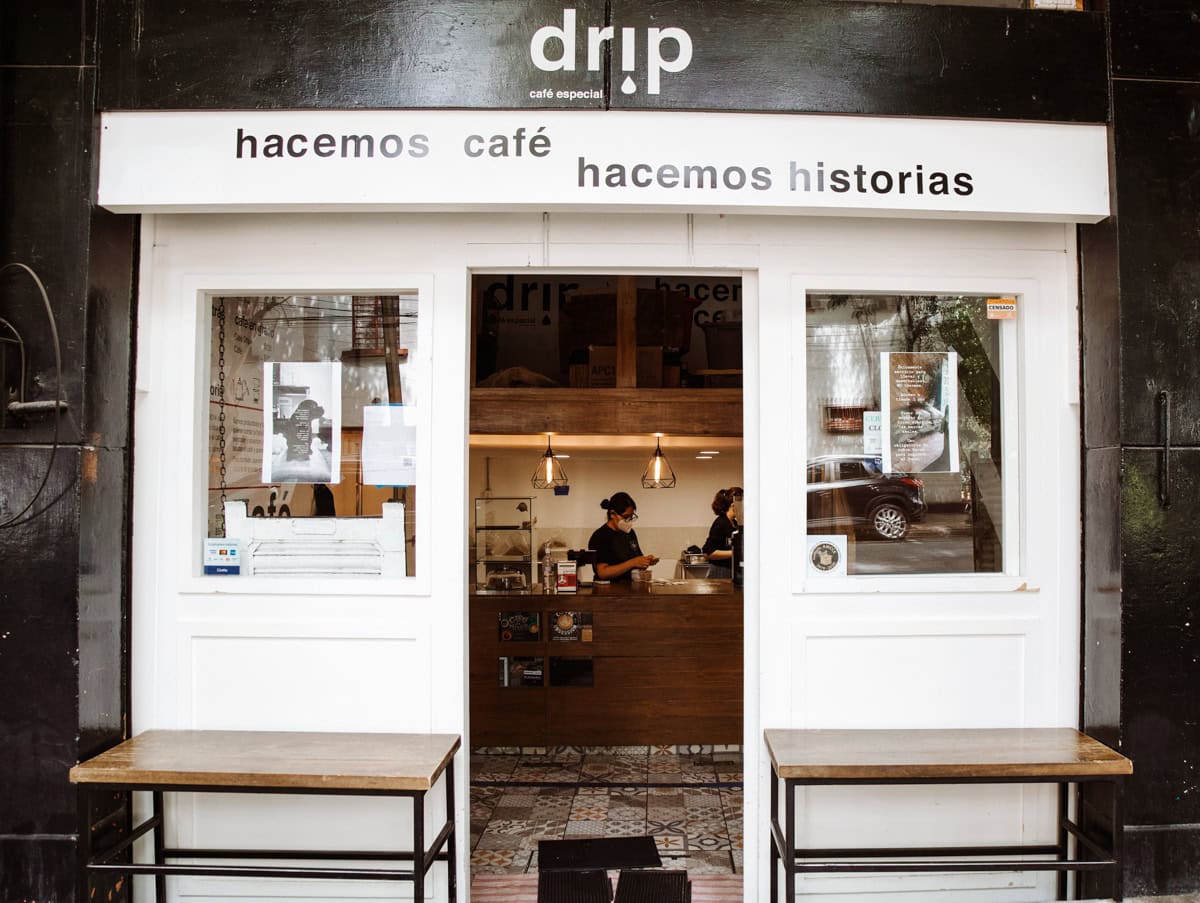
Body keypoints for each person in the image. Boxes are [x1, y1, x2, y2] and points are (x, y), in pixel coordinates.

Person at [587, 492, 658, 582]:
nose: (628, 521)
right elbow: (602, 573)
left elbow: (637, 558)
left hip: (630, 588)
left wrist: (645, 561)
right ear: (612, 514)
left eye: (631, 517)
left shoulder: (629, 533)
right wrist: (633, 562)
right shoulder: (600, 536)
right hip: (608, 592)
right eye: (625, 517)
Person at [703, 486, 742, 576]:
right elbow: (708, 553)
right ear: (733, 505)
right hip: (720, 572)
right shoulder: (721, 523)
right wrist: (735, 552)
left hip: (730, 571)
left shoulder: (735, 523)